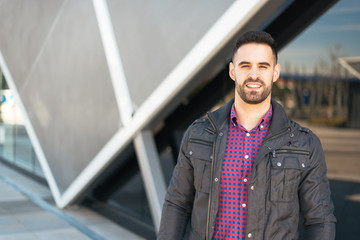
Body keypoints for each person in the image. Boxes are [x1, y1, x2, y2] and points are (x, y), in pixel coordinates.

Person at [158, 30, 336, 240]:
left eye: (263, 66)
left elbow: (320, 219)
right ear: (233, 71)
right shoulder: (198, 134)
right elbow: (177, 204)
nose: (254, 74)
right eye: (245, 65)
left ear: (275, 72)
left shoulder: (305, 144)